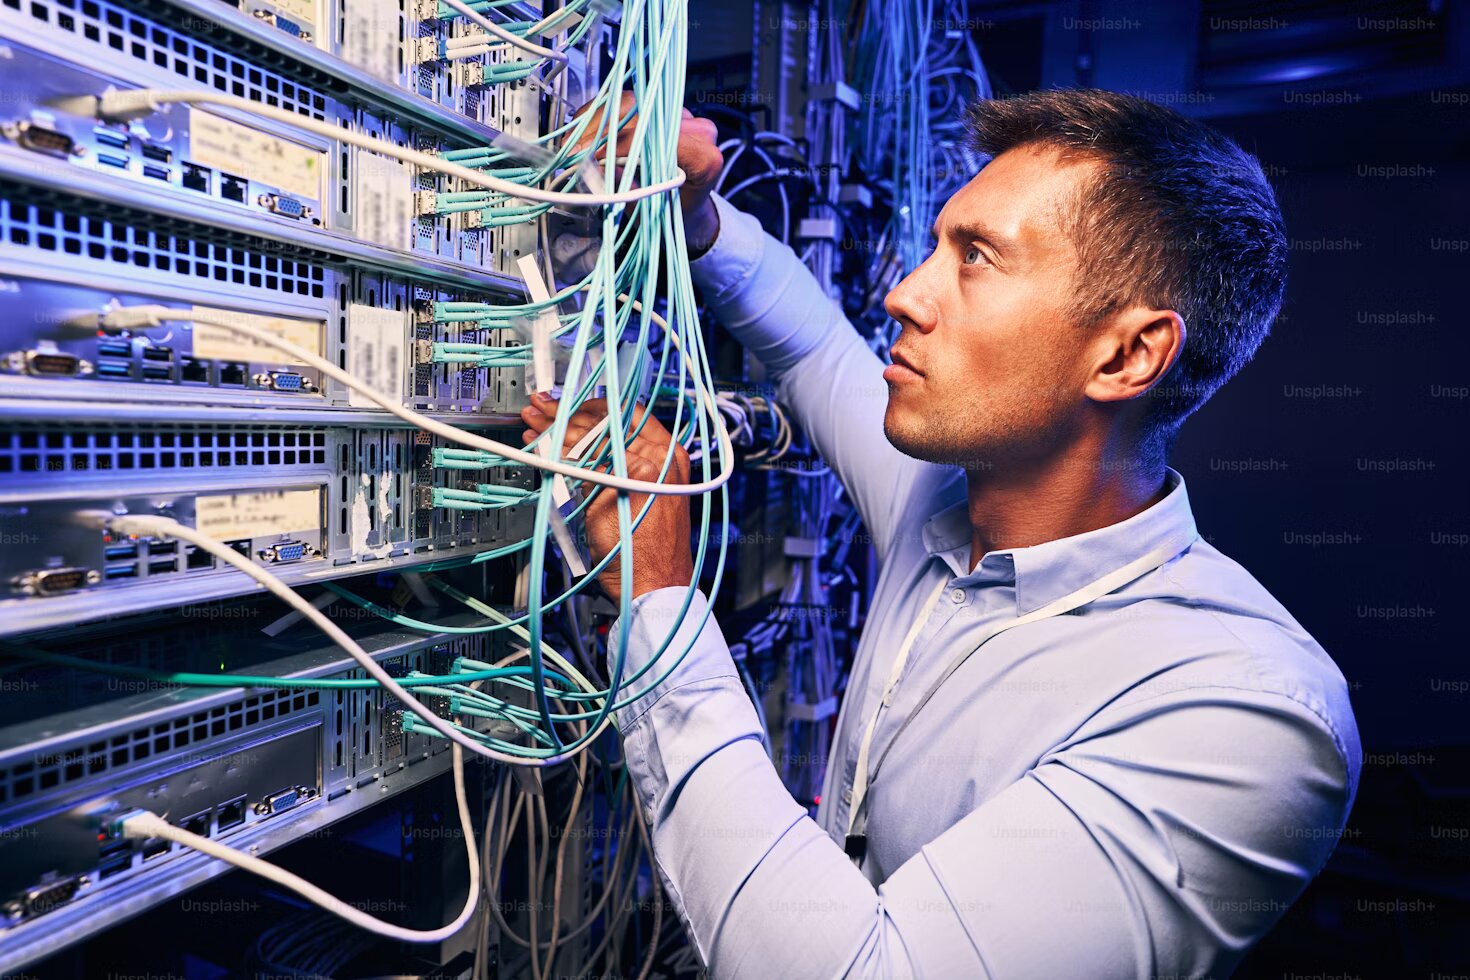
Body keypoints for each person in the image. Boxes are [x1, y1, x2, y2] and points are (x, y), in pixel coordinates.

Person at [521, 89, 1361, 978]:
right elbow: (813, 350)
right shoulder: (949, 504)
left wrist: (659, 592)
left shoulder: (1244, 712)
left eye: (977, 259)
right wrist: (692, 215)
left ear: (1126, 356)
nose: (903, 295)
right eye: (938, 245)